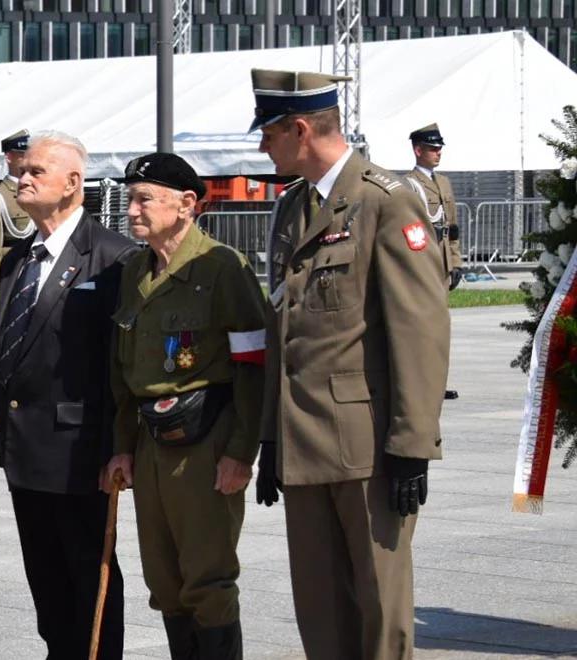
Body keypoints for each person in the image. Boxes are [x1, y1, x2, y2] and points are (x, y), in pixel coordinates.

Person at [251, 69, 450, 660]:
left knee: (379, 609)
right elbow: (283, 328)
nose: (263, 146)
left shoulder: (386, 201)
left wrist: (413, 444)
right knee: (320, 609)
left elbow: (421, 329)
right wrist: (270, 441)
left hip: (367, 450)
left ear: (300, 129)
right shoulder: (293, 208)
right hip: (302, 443)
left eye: (269, 133)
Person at [101, 152, 265, 659]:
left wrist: (241, 451)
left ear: (187, 203)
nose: (131, 210)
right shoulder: (135, 271)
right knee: (164, 582)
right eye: (130, 199)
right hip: (150, 447)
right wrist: (121, 449)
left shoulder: (221, 268)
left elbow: (254, 364)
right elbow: (124, 376)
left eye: (144, 199)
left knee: (207, 583)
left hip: (206, 446)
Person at [0, 130, 135, 659]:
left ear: (73, 183)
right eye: (21, 171)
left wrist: (120, 446)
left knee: (89, 584)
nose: (21, 179)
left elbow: (122, 365)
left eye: (35, 172)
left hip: (81, 453)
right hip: (25, 451)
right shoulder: (18, 260)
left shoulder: (114, 258)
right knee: (47, 587)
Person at [405, 123, 463, 289]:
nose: (438, 153)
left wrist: (455, 262)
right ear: (418, 151)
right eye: (432, 149)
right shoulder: (409, 183)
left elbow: (452, 228)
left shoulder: (444, 182)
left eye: (439, 149)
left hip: (444, 259)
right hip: (424, 257)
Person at [0, 130, 34, 287]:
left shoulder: (40, 190)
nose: (27, 159)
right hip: (12, 270)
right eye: (22, 154)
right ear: (9, 157)